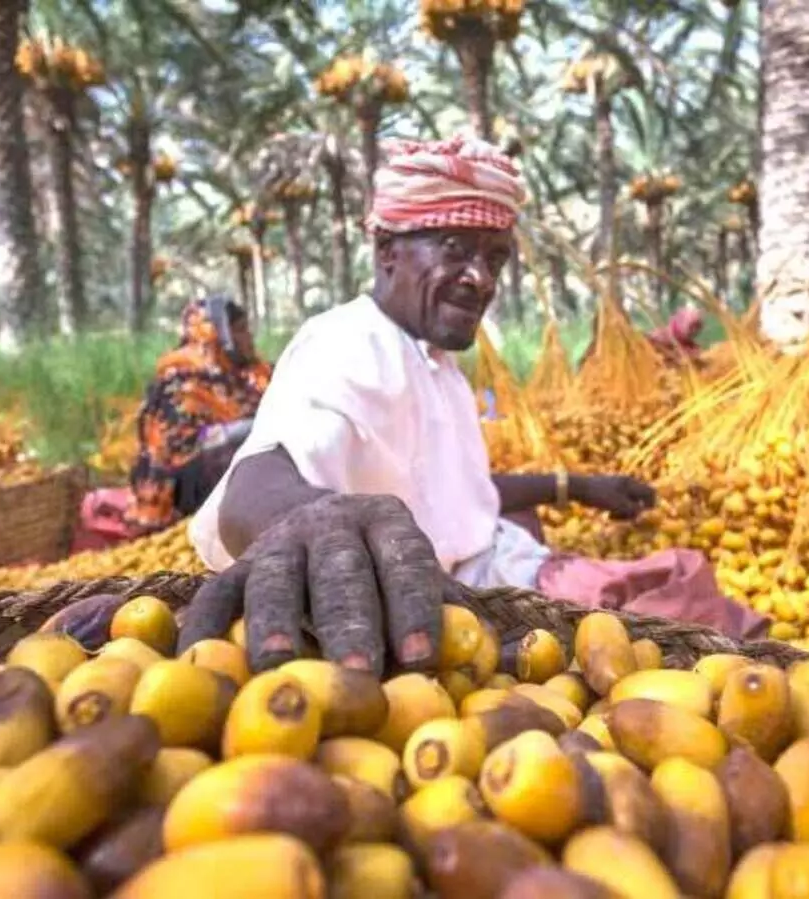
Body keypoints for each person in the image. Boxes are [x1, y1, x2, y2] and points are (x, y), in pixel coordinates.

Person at [179, 135, 766, 676]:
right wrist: (313, 521)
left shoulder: (435, 360)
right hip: (430, 611)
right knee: (691, 628)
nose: (480, 278)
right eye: (455, 250)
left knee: (690, 595)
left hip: (492, 576)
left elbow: (453, 494)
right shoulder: (349, 346)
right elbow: (252, 488)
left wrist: (578, 486)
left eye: (495, 259)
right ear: (387, 251)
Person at [123, 296, 272, 534]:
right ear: (217, 334)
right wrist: (245, 430)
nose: (249, 338)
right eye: (241, 330)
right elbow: (187, 444)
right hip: (182, 485)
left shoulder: (249, 375)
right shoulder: (181, 382)